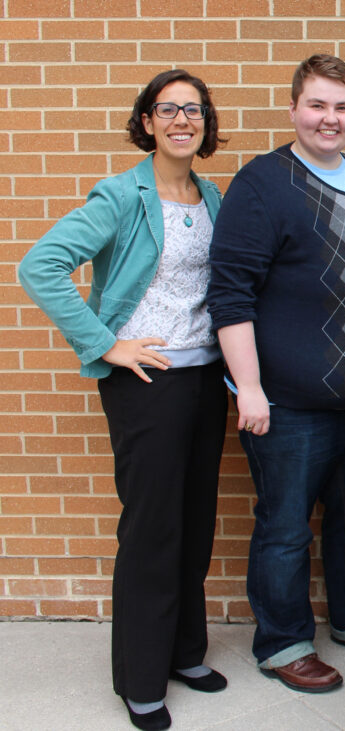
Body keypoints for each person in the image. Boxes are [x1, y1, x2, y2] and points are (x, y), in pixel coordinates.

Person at [19, 69, 228, 730]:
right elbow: (40, 265)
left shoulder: (212, 193)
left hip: (204, 377)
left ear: (205, 122)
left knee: (195, 521)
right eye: (167, 109)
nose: (181, 120)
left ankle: (185, 652)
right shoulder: (120, 195)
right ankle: (141, 676)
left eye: (193, 109)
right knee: (153, 529)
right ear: (146, 121)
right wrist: (106, 343)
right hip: (147, 384)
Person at [207, 55, 345, 692]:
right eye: (317, 105)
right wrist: (250, 388)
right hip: (288, 405)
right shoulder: (261, 183)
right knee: (285, 528)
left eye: (341, 107)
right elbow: (230, 293)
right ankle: (283, 642)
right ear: (293, 109)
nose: (330, 119)